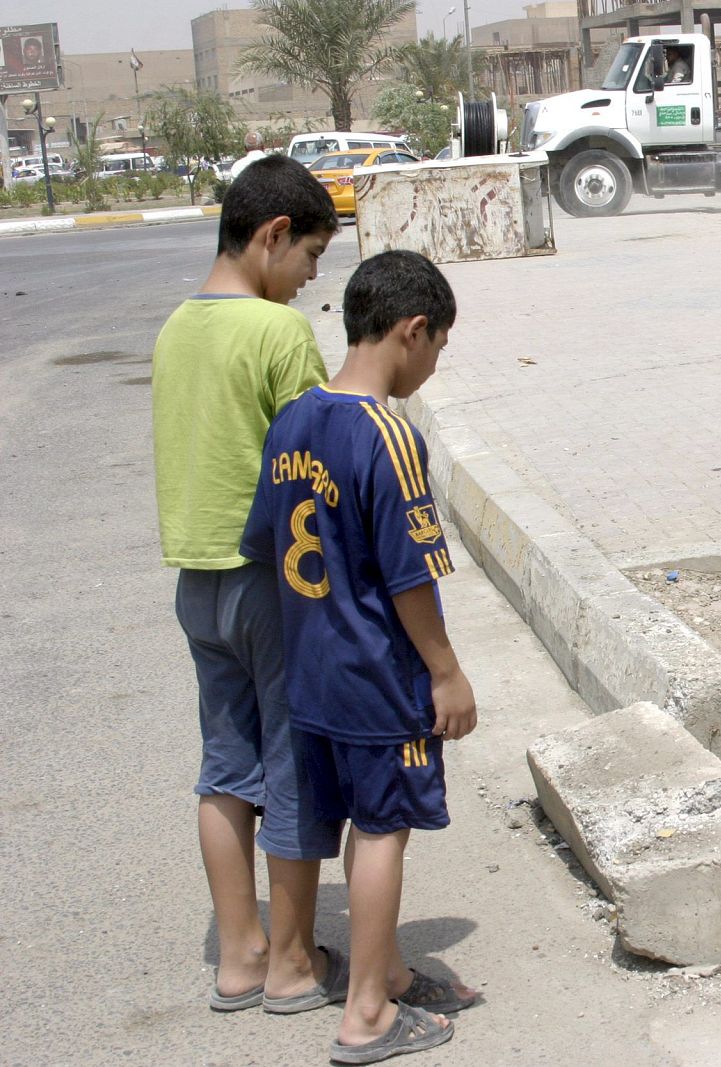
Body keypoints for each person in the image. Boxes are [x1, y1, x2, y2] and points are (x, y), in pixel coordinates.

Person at [241, 250, 477, 1064]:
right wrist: (445, 670)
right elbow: (411, 578)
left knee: (348, 823)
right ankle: (368, 1014)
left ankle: (390, 973)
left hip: (310, 675)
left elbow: (266, 543)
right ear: (412, 330)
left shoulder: (293, 420)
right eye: (438, 347)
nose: (433, 365)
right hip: (377, 677)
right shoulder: (388, 434)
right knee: (382, 831)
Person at [152, 154, 346, 1014]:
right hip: (273, 585)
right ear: (272, 236)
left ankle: (239, 954)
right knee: (293, 764)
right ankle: (294, 963)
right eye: (309, 257)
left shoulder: (175, 327)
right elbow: (313, 466)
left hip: (197, 584)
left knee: (225, 770)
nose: (309, 280)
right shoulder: (277, 335)